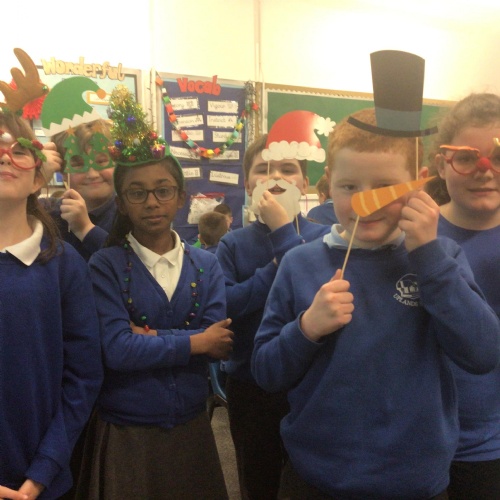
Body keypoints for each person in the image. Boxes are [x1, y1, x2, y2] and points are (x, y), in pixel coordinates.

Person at [251, 107, 500, 499]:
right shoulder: (300, 264)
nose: (365, 203)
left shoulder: (441, 258)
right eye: (349, 187)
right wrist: (307, 328)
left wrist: (429, 259)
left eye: (385, 186)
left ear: (418, 184)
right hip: (316, 478)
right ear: (328, 183)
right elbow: (265, 372)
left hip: (415, 482)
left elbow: (483, 353)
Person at [75, 86, 233, 500]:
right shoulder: (106, 265)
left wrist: (151, 339)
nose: (151, 202)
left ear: (180, 197)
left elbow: (219, 344)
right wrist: (194, 341)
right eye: (137, 192)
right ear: (122, 202)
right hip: (127, 432)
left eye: (163, 190)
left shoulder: (207, 265)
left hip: (191, 427)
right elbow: (117, 350)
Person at [216, 133, 331, 499]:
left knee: (307, 479)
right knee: (257, 479)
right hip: (250, 385)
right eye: (263, 169)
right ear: (247, 184)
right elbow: (224, 306)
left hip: (311, 383)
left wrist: (285, 238)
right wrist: (275, 266)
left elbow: (321, 298)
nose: (276, 177)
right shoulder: (233, 243)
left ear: (305, 183)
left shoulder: (326, 237)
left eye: (288, 168)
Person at [0, 112, 103, 498]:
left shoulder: (64, 265)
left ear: (38, 177)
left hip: (41, 480)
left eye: (19, 150)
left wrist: (43, 470)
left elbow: (83, 376)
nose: (5, 156)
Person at [426, 93, 500, 499]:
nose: (485, 171)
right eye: (467, 158)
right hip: (419, 433)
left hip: (491, 441)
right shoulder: (415, 233)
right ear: (442, 164)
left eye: (497, 157)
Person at [42, 119, 116, 261]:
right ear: (62, 171)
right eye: (78, 164)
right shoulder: (48, 213)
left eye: (101, 161)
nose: (93, 174)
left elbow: (130, 264)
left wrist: (86, 229)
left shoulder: (129, 215)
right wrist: (37, 179)